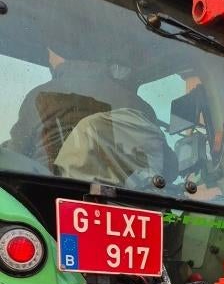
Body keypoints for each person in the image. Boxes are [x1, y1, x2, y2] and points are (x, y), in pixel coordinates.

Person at [7, 48, 172, 186]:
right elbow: (169, 167)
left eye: (49, 51)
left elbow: (17, 157)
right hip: (133, 203)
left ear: (58, 54)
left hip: (53, 198)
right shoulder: (140, 106)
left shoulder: (41, 96)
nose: (49, 57)